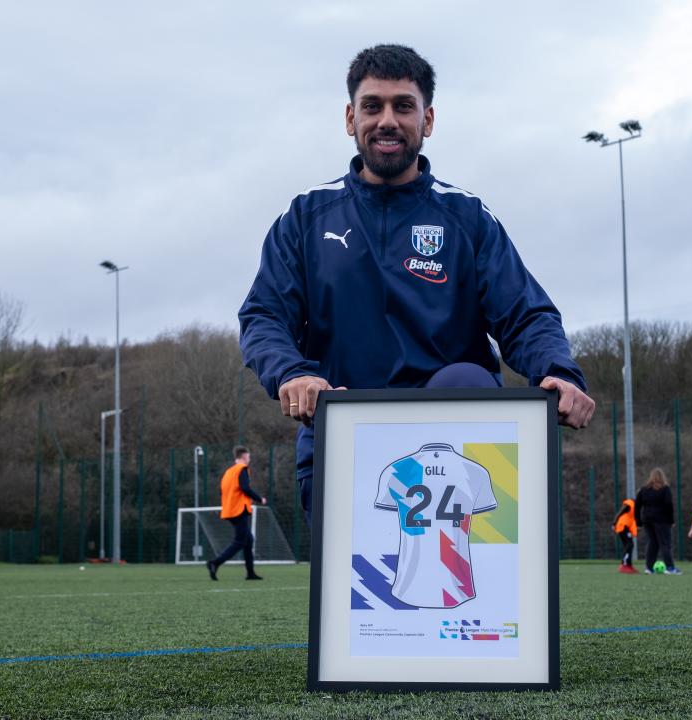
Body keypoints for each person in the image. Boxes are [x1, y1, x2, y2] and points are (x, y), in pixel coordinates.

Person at [238, 44, 595, 523]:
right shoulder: (305, 216)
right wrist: (293, 374)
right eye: (372, 106)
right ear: (350, 118)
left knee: (466, 380)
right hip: (343, 440)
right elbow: (263, 317)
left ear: (427, 120)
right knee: (362, 593)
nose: (387, 120)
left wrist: (560, 373)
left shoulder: (466, 217)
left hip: (450, 446)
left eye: (403, 106)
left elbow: (525, 314)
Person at [206, 446, 266, 581]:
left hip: (229, 510)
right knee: (240, 541)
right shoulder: (242, 469)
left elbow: (222, 491)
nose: (249, 459)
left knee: (248, 540)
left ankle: (250, 573)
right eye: (249, 457)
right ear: (244, 457)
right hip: (240, 509)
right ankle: (215, 563)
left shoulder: (228, 472)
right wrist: (259, 499)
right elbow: (245, 487)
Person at [634, 468, 681, 575]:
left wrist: (638, 523)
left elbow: (637, 507)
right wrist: (671, 520)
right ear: (662, 477)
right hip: (662, 520)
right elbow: (669, 506)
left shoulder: (643, 490)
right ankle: (670, 568)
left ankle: (649, 568)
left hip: (647, 520)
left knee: (652, 543)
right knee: (665, 543)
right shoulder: (665, 489)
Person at [611, 497, 638, 573]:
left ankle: (628, 565)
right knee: (629, 544)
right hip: (622, 526)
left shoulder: (636, 506)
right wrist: (614, 523)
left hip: (625, 527)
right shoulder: (630, 503)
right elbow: (620, 512)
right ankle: (625, 564)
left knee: (628, 545)